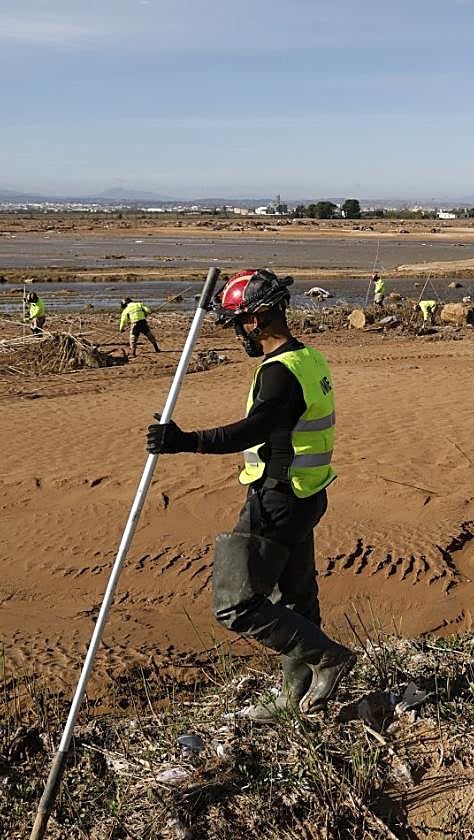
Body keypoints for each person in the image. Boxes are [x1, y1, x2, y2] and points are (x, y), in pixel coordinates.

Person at [146, 268, 355, 720]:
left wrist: (185, 441)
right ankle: (292, 697)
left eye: (238, 322)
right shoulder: (310, 358)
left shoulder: (279, 374)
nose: (237, 331)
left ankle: (328, 657)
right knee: (296, 601)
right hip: (307, 495)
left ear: (257, 318)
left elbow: (251, 431)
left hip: (278, 501)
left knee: (235, 603)